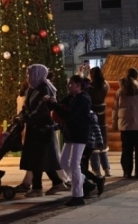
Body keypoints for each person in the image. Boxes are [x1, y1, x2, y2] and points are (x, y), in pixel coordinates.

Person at [18, 64, 66, 197]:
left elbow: (42, 110)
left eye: (30, 74)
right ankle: (57, 182)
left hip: (42, 129)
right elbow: (26, 106)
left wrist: (27, 118)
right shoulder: (32, 89)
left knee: (39, 158)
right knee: (40, 159)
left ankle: (37, 188)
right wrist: (21, 116)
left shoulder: (45, 89)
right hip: (34, 129)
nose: (28, 77)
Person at [47, 75, 93, 207]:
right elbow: (59, 108)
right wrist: (51, 103)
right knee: (63, 162)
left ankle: (78, 196)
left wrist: (55, 105)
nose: (68, 86)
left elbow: (69, 115)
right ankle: (85, 183)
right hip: (70, 134)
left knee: (74, 164)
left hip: (80, 134)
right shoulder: (71, 97)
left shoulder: (83, 99)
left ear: (78, 85)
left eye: (71, 84)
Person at [113, 68, 138, 178]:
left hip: (125, 126)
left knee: (127, 150)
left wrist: (115, 123)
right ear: (137, 77)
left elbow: (115, 109)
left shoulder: (120, 92)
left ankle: (127, 171)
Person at [87, 67, 112, 178]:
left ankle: (96, 170)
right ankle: (107, 169)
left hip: (92, 116)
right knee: (103, 145)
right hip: (102, 118)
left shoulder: (90, 88)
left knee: (93, 146)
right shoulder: (105, 85)